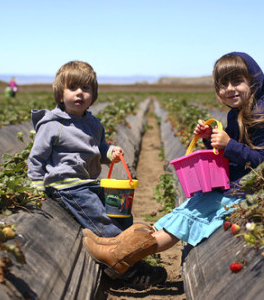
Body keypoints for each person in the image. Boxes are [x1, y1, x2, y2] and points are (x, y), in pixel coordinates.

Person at [83, 52, 264, 278]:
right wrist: (210, 138)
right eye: (223, 84)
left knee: (183, 220)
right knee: (179, 212)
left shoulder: (262, 116)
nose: (230, 88)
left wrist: (228, 145)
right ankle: (113, 245)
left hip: (248, 192)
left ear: (254, 82)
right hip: (232, 187)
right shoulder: (235, 114)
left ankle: (119, 256)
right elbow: (230, 154)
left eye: (237, 81)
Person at [27, 60, 167, 288]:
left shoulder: (93, 123)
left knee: (120, 215)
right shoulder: (52, 125)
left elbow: (98, 150)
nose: (80, 93)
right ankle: (128, 273)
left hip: (89, 182)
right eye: (73, 88)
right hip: (67, 187)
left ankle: (127, 257)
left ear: (93, 94)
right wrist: (35, 184)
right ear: (60, 95)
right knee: (102, 223)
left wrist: (109, 152)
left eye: (86, 88)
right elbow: (37, 157)